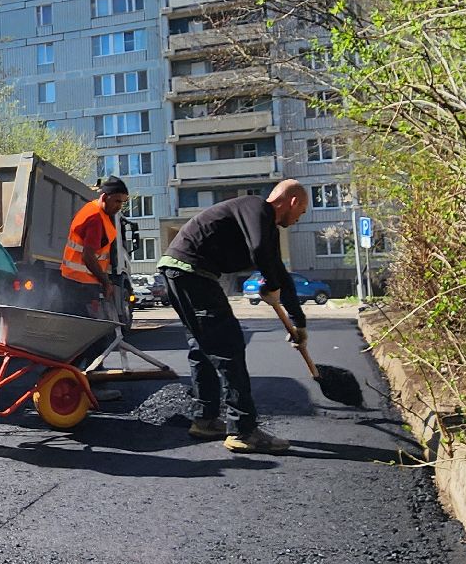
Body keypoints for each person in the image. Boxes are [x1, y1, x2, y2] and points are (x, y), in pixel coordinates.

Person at [157, 180, 310, 454]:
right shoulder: (256, 207)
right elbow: (259, 250)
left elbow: (279, 272)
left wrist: (299, 322)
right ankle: (243, 430)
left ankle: (205, 419)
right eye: (302, 211)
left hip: (178, 270)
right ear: (293, 202)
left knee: (203, 346)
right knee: (229, 346)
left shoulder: (266, 227)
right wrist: (270, 284)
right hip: (191, 271)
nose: (300, 218)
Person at [57, 176, 130, 319]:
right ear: (104, 197)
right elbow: (88, 256)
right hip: (80, 285)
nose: (119, 206)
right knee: (86, 328)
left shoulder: (92, 209)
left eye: (122, 202)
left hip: (75, 281)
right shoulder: (95, 219)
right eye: (116, 201)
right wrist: (106, 282)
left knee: (80, 327)